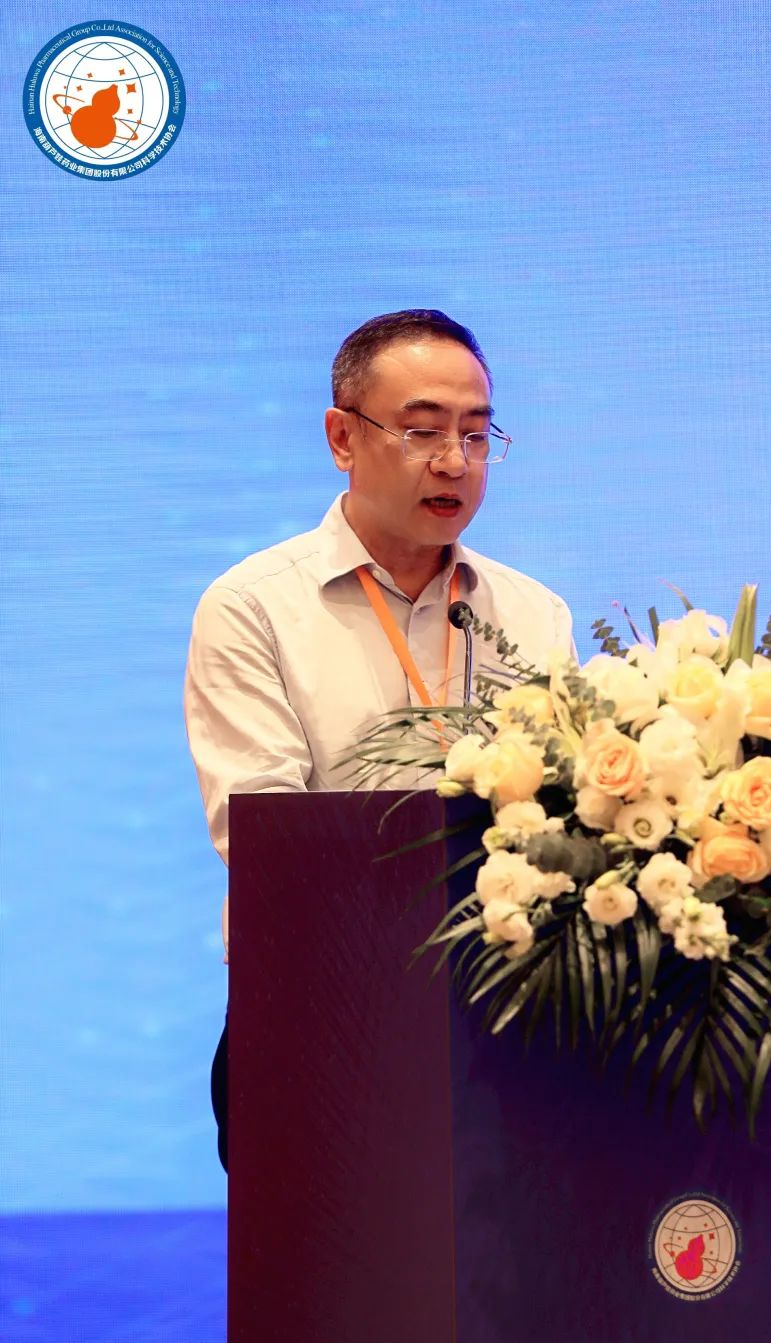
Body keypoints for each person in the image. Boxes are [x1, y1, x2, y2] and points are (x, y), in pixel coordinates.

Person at [184, 309, 575, 1169]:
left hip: (508, 1022)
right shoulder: (255, 607)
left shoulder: (533, 614)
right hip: (319, 1017)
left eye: (476, 435)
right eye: (423, 431)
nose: (454, 462)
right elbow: (266, 836)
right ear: (342, 437)